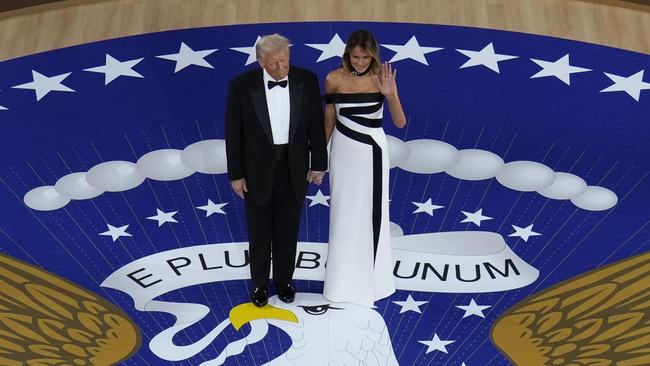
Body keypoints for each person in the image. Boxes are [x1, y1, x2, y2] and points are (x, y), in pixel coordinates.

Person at [225, 34, 327, 307]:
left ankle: (285, 281)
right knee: (259, 232)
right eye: (274, 63)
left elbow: (315, 126)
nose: (281, 67)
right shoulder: (241, 86)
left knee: (288, 229)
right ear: (260, 61)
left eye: (285, 61)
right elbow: (233, 134)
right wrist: (236, 174)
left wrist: (319, 164)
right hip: (256, 171)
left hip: (294, 168)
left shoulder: (306, 80)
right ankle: (259, 285)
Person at [323, 30, 407, 307]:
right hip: (342, 153)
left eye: (365, 57)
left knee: (373, 214)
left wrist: (390, 94)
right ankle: (340, 283)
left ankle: (374, 282)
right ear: (347, 54)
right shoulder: (333, 79)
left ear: (373, 55)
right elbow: (328, 123)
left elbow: (400, 122)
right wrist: (319, 163)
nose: (359, 62)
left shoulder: (381, 79)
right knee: (342, 213)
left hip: (372, 153)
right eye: (355, 57)